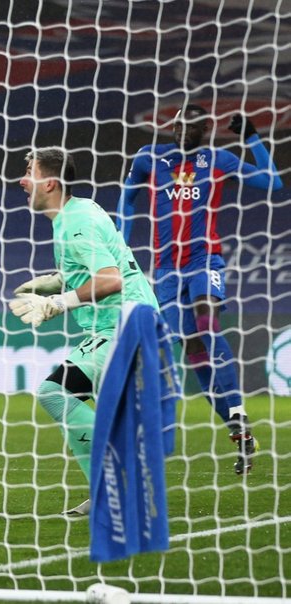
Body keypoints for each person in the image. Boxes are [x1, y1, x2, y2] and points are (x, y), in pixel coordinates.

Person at [117, 105, 282, 475]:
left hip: (205, 262)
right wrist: (120, 245)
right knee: (193, 351)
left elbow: (273, 182)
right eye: (176, 125)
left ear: (205, 128)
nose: (180, 131)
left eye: (188, 126)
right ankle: (239, 432)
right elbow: (127, 198)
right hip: (166, 271)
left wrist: (252, 139)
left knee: (207, 325)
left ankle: (238, 409)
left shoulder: (219, 159)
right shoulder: (150, 158)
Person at [11, 147, 160, 517]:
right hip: (128, 323)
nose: (21, 180)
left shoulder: (78, 222)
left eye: (29, 171)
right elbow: (94, 265)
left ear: (49, 182)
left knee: (54, 392)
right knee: (90, 403)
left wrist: (58, 303)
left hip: (125, 325)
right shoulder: (77, 212)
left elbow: (108, 279)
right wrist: (54, 281)